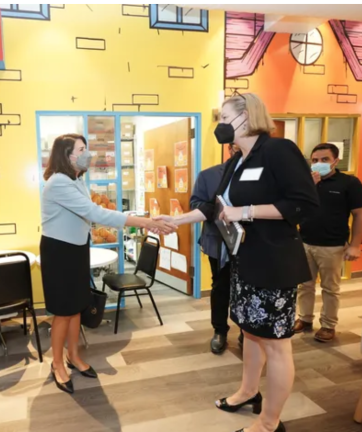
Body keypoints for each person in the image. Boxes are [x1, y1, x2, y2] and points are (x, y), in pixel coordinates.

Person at [154, 94, 318, 432]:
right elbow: (216, 208)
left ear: (246, 116)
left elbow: (303, 203)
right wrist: (176, 221)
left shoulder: (278, 151)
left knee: (275, 344)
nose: (221, 123)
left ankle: (269, 422)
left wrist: (247, 211)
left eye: (225, 116)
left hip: (274, 263)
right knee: (249, 332)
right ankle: (248, 390)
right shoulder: (237, 160)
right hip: (245, 260)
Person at [40, 133, 176, 394]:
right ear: (66, 155)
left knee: (77, 305)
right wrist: (145, 222)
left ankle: (74, 355)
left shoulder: (75, 179)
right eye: (81, 149)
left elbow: (91, 211)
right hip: (59, 252)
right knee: (63, 310)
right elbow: (95, 213)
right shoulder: (58, 183)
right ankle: (57, 363)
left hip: (76, 248)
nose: (87, 154)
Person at [296, 143, 362, 342]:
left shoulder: (349, 183)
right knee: (304, 285)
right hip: (305, 241)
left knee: (330, 288)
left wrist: (355, 245)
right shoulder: (305, 182)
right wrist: (310, 185)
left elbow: (359, 214)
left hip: (332, 245)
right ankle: (305, 319)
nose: (319, 164)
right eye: (315, 160)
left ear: (335, 160)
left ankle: (328, 325)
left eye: (324, 160)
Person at [190, 143, 244, 354]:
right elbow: (195, 203)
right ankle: (220, 330)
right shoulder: (209, 175)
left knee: (246, 289)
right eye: (236, 146)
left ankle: (246, 332)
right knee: (220, 287)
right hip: (218, 241)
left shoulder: (260, 175)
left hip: (251, 243)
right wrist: (218, 210)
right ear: (230, 148)